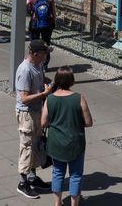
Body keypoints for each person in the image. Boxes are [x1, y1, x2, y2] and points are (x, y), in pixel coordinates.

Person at [42, 67, 93, 206]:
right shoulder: (79, 98)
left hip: (56, 143)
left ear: (57, 81)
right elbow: (89, 122)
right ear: (72, 81)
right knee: (76, 176)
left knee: (58, 173)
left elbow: (43, 122)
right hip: (75, 143)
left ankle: (57, 202)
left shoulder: (50, 99)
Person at [15, 39, 53, 198]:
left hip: (36, 111)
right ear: (35, 54)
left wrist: (48, 82)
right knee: (27, 146)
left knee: (36, 144)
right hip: (27, 114)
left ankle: (32, 177)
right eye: (44, 53)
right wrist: (44, 94)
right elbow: (23, 98)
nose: (46, 56)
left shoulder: (38, 65)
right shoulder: (24, 70)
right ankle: (23, 182)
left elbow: (39, 81)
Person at [27, 0, 56, 69]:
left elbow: (26, 6)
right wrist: (54, 21)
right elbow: (53, 11)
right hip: (47, 24)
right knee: (46, 44)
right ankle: (44, 64)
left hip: (35, 24)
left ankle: (34, 63)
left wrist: (30, 11)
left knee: (34, 44)